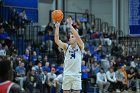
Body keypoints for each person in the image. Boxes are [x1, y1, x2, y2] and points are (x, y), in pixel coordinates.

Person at [54, 16, 84, 93]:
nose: (70, 38)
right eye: (70, 37)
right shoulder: (66, 47)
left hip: (76, 75)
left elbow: (77, 36)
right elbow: (57, 40)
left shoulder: (80, 46)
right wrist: (57, 27)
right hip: (67, 74)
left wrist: (70, 26)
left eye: (72, 37)